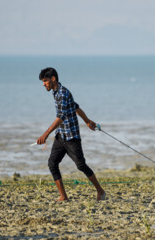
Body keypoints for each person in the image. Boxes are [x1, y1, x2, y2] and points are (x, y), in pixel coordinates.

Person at [37, 67, 106, 201]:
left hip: (71, 137)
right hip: (61, 135)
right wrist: (87, 121)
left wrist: (45, 134)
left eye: (45, 81)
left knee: (81, 165)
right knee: (52, 163)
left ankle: (101, 191)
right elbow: (75, 107)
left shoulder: (63, 93)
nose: (43, 84)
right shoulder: (56, 92)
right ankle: (63, 196)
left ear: (53, 79)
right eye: (42, 81)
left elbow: (61, 116)